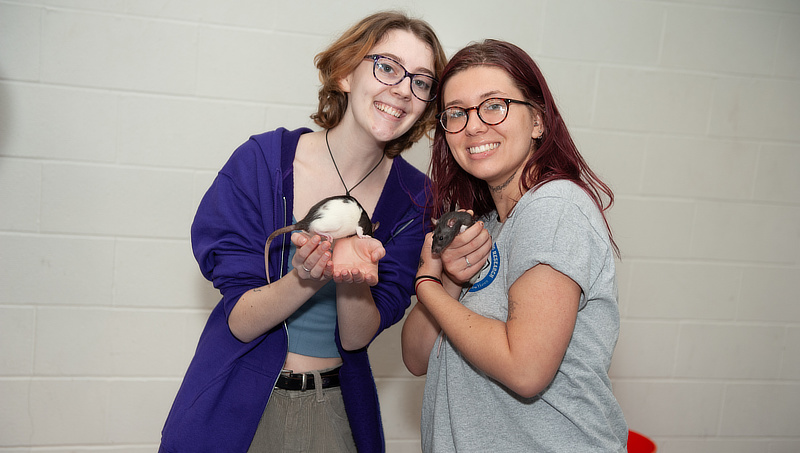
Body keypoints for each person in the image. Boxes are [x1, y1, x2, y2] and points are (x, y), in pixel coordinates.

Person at [159, 12, 446, 453]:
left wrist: (352, 276)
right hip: (236, 411)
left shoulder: (415, 200)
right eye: (387, 66)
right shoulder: (262, 163)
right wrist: (303, 279)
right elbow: (240, 320)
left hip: (335, 413)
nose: (403, 89)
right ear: (346, 73)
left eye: (421, 82)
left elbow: (356, 337)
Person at [401, 39, 628, 452]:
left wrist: (428, 286)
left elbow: (525, 369)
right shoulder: (487, 225)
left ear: (538, 121)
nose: (472, 126)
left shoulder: (555, 206)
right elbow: (416, 358)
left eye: (494, 105)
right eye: (456, 113)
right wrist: (449, 280)